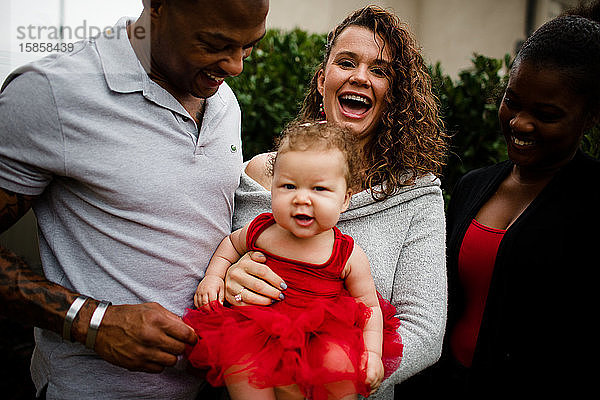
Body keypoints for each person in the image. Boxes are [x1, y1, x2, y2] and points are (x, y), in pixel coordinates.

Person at [0, 0, 269, 398]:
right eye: (214, 43)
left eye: (249, 47)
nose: (235, 67)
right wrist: (91, 322)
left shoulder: (222, 98)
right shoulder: (52, 93)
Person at [223, 6, 449, 399]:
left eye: (380, 71)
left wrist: (329, 377)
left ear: (394, 94)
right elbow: (212, 262)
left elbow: (424, 332)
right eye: (347, 62)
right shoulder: (262, 175)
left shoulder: (417, 196)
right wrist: (228, 280)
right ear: (322, 78)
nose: (360, 76)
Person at [424, 1, 600, 396]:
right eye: (513, 101)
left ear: (589, 116)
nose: (520, 122)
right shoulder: (472, 186)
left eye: (547, 114)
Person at [184, 121, 403, 400]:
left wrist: (372, 354)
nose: (302, 199)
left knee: (338, 365)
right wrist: (214, 276)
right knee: (240, 361)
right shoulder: (262, 230)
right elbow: (230, 244)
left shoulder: (346, 253)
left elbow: (369, 306)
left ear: (345, 199)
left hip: (321, 337)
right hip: (257, 330)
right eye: (288, 186)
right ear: (272, 189)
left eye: (320, 189)